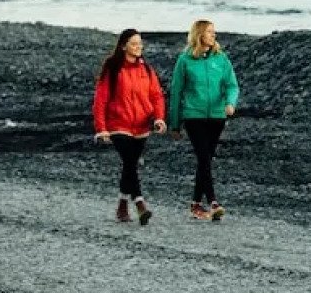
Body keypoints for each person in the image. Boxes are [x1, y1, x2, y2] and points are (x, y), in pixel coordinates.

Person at [92, 28, 167, 225]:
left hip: (142, 125)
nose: (138, 47)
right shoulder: (113, 68)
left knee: (130, 165)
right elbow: (101, 99)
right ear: (124, 46)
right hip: (118, 124)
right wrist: (101, 128)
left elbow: (157, 96)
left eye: (140, 43)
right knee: (129, 162)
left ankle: (122, 205)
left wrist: (159, 118)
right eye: (134, 44)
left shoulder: (147, 70)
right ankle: (140, 203)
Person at [169, 19, 239, 221]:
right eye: (209, 32)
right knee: (203, 157)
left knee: (205, 159)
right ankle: (213, 201)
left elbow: (232, 85)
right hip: (194, 115)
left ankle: (196, 204)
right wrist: (174, 123)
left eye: (214, 31)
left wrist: (230, 103)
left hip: (217, 116)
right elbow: (176, 92)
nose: (213, 35)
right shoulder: (185, 60)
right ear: (199, 34)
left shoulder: (221, 59)